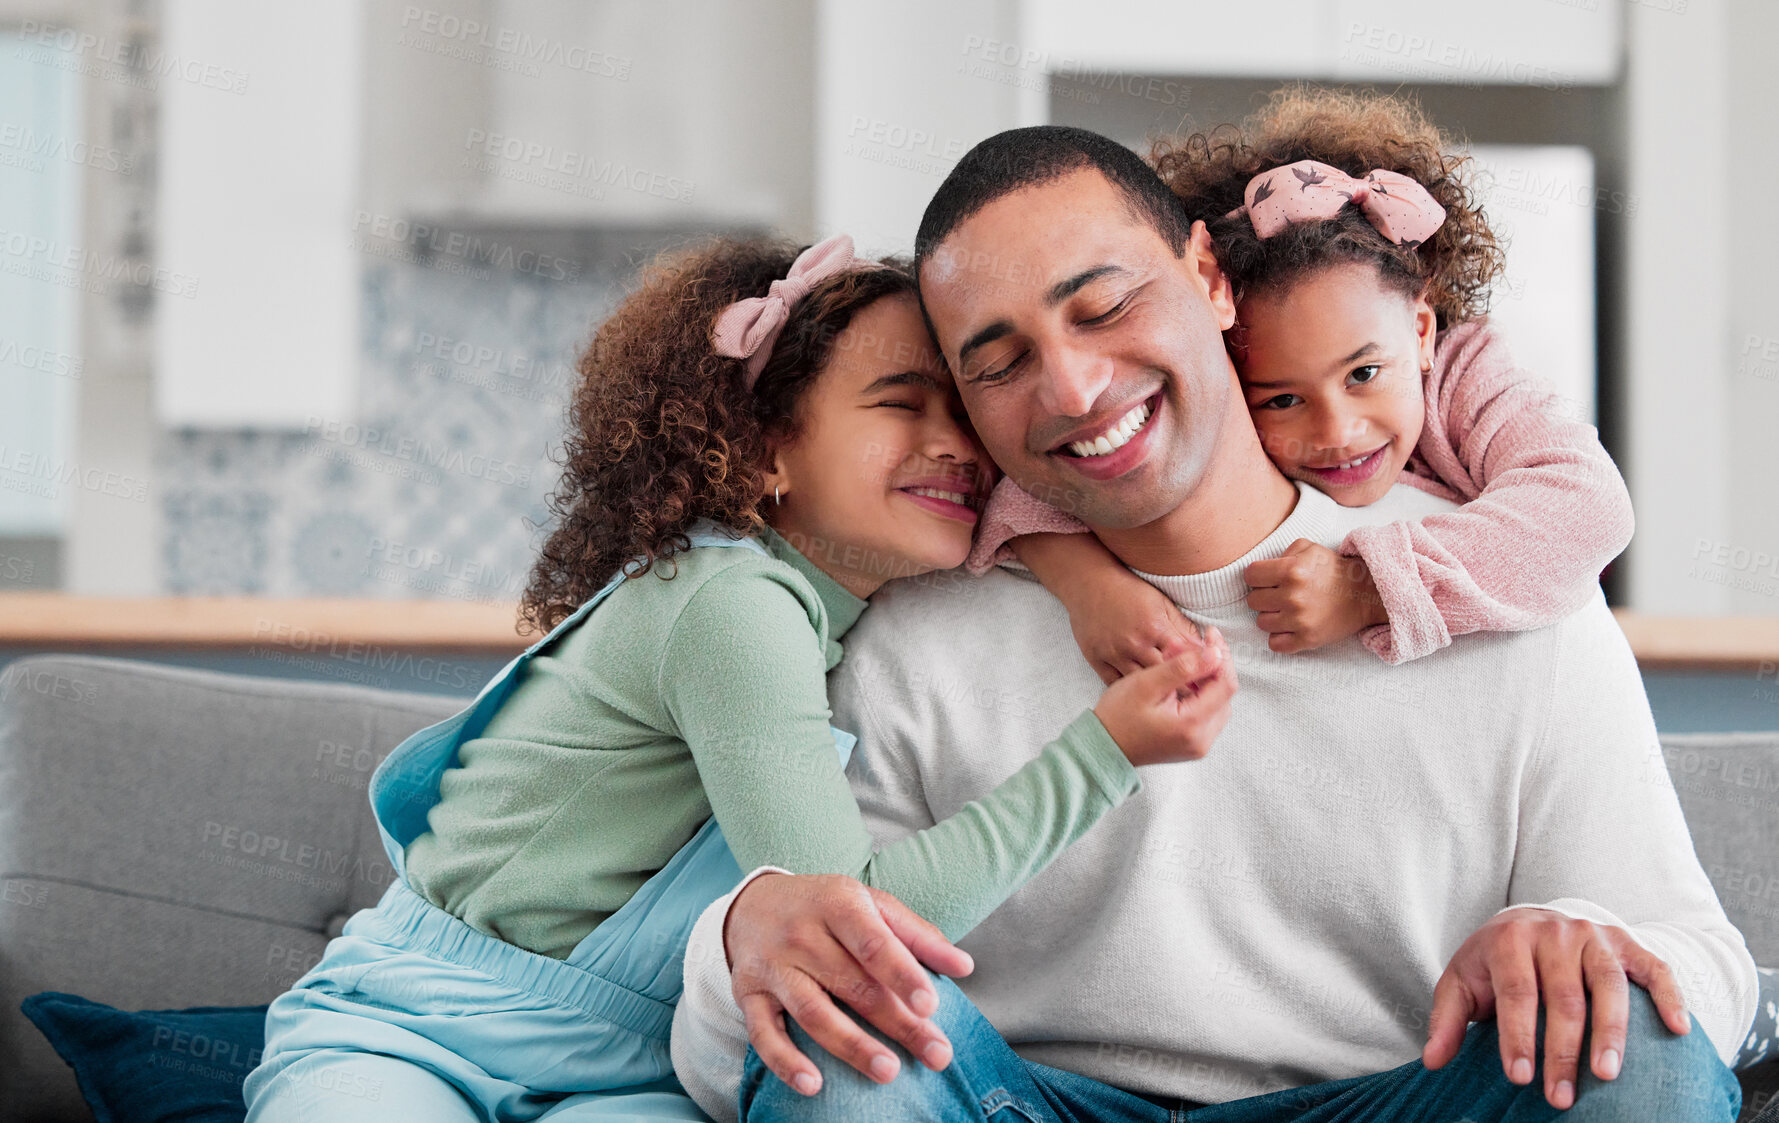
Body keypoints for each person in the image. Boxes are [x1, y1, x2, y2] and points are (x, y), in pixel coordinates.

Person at [669, 126, 1756, 1122]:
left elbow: (1705, 969)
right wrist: (741, 941)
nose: (1075, 388)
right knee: (848, 1064)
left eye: (1102, 308)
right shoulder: (919, 632)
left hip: (1399, 1100)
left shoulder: (1494, 584)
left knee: (1641, 1057)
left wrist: (1588, 945)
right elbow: (743, 1059)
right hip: (1025, 1103)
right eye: (998, 362)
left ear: (1208, 277)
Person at [241, 236, 1234, 1120]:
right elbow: (849, 917)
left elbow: (1027, 499)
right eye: (900, 405)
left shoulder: (848, 610)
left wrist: (1085, 579)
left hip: (628, 1072)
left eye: (965, 417)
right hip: (421, 1027)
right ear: (763, 454)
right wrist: (1106, 752)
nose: (953, 446)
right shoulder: (731, 602)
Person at [966, 87, 1633, 680]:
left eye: (1364, 373)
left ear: (1422, 330)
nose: (1337, 430)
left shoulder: (1465, 374)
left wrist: (1366, 588)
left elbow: (1589, 504)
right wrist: (1091, 589)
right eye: (1281, 399)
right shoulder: (1202, 407)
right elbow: (1034, 483)